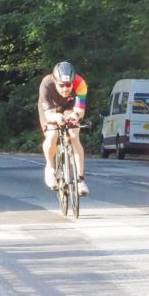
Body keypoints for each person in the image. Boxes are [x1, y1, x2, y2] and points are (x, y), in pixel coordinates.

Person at [38, 61, 89, 196]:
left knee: (73, 135)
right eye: (61, 85)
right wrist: (57, 118)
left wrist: (75, 115)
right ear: (55, 81)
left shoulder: (80, 83)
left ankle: (80, 179)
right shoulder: (46, 84)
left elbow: (80, 110)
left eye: (68, 85)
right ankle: (50, 167)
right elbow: (48, 114)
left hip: (70, 107)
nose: (65, 89)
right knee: (52, 134)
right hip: (51, 109)